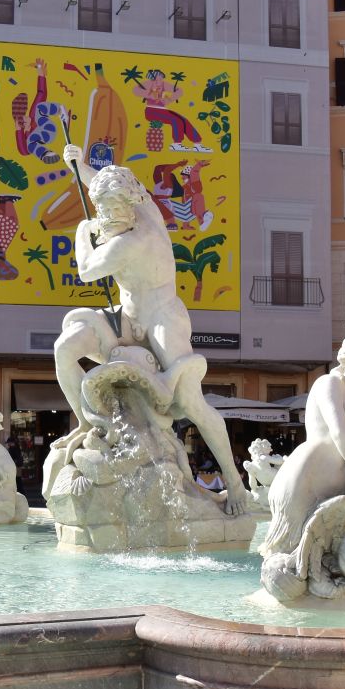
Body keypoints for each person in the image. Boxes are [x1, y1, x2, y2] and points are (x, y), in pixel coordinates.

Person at [54, 141, 249, 514]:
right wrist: (80, 167)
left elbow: (87, 270)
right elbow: (106, 184)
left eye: (114, 209)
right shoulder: (142, 204)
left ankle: (234, 481)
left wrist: (83, 232)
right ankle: (86, 422)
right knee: (65, 348)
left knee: (191, 402)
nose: (107, 216)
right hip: (126, 319)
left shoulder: (134, 239)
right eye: (101, 209)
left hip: (162, 317)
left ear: (132, 205)